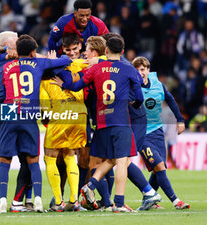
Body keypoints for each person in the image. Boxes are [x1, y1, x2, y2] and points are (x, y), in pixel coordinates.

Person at [0, 35, 72, 213]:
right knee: (33, 160)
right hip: (30, 112)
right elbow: (65, 60)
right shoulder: (38, 64)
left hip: (9, 110)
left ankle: (3, 201)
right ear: (33, 52)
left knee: (4, 160)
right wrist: (50, 59)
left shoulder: (5, 66)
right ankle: (36, 200)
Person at [52, 36, 144, 212]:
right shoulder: (128, 69)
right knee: (122, 161)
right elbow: (139, 97)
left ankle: (89, 186)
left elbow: (78, 85)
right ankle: (118, 203)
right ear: (123, 52)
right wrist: (136, 104)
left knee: (110, 159)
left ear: (106, 50)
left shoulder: (96, 68)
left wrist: (64, 84)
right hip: (121, 122)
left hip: (101, 123)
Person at [132, 56, 190, 210]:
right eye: (136, 70)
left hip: (157, 131)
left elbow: (170, 100)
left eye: (142, 69)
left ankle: (148, 201)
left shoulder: (158, 85)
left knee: (160, 168)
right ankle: (176, 201)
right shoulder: (131, 87)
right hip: (140, 133)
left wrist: (180, 120)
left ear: (148, 70)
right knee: (159, 167)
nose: (140, 73)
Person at [40, 33, 88, 212]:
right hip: (79, 116)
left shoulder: (46, 74)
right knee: (70, 155)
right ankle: (74, 200)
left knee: (50, 157)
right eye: (69, 50)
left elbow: (44, 106)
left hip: (60, 115)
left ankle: (59, 203)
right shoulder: (83, 64)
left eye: (74, 50)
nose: (71, 53)